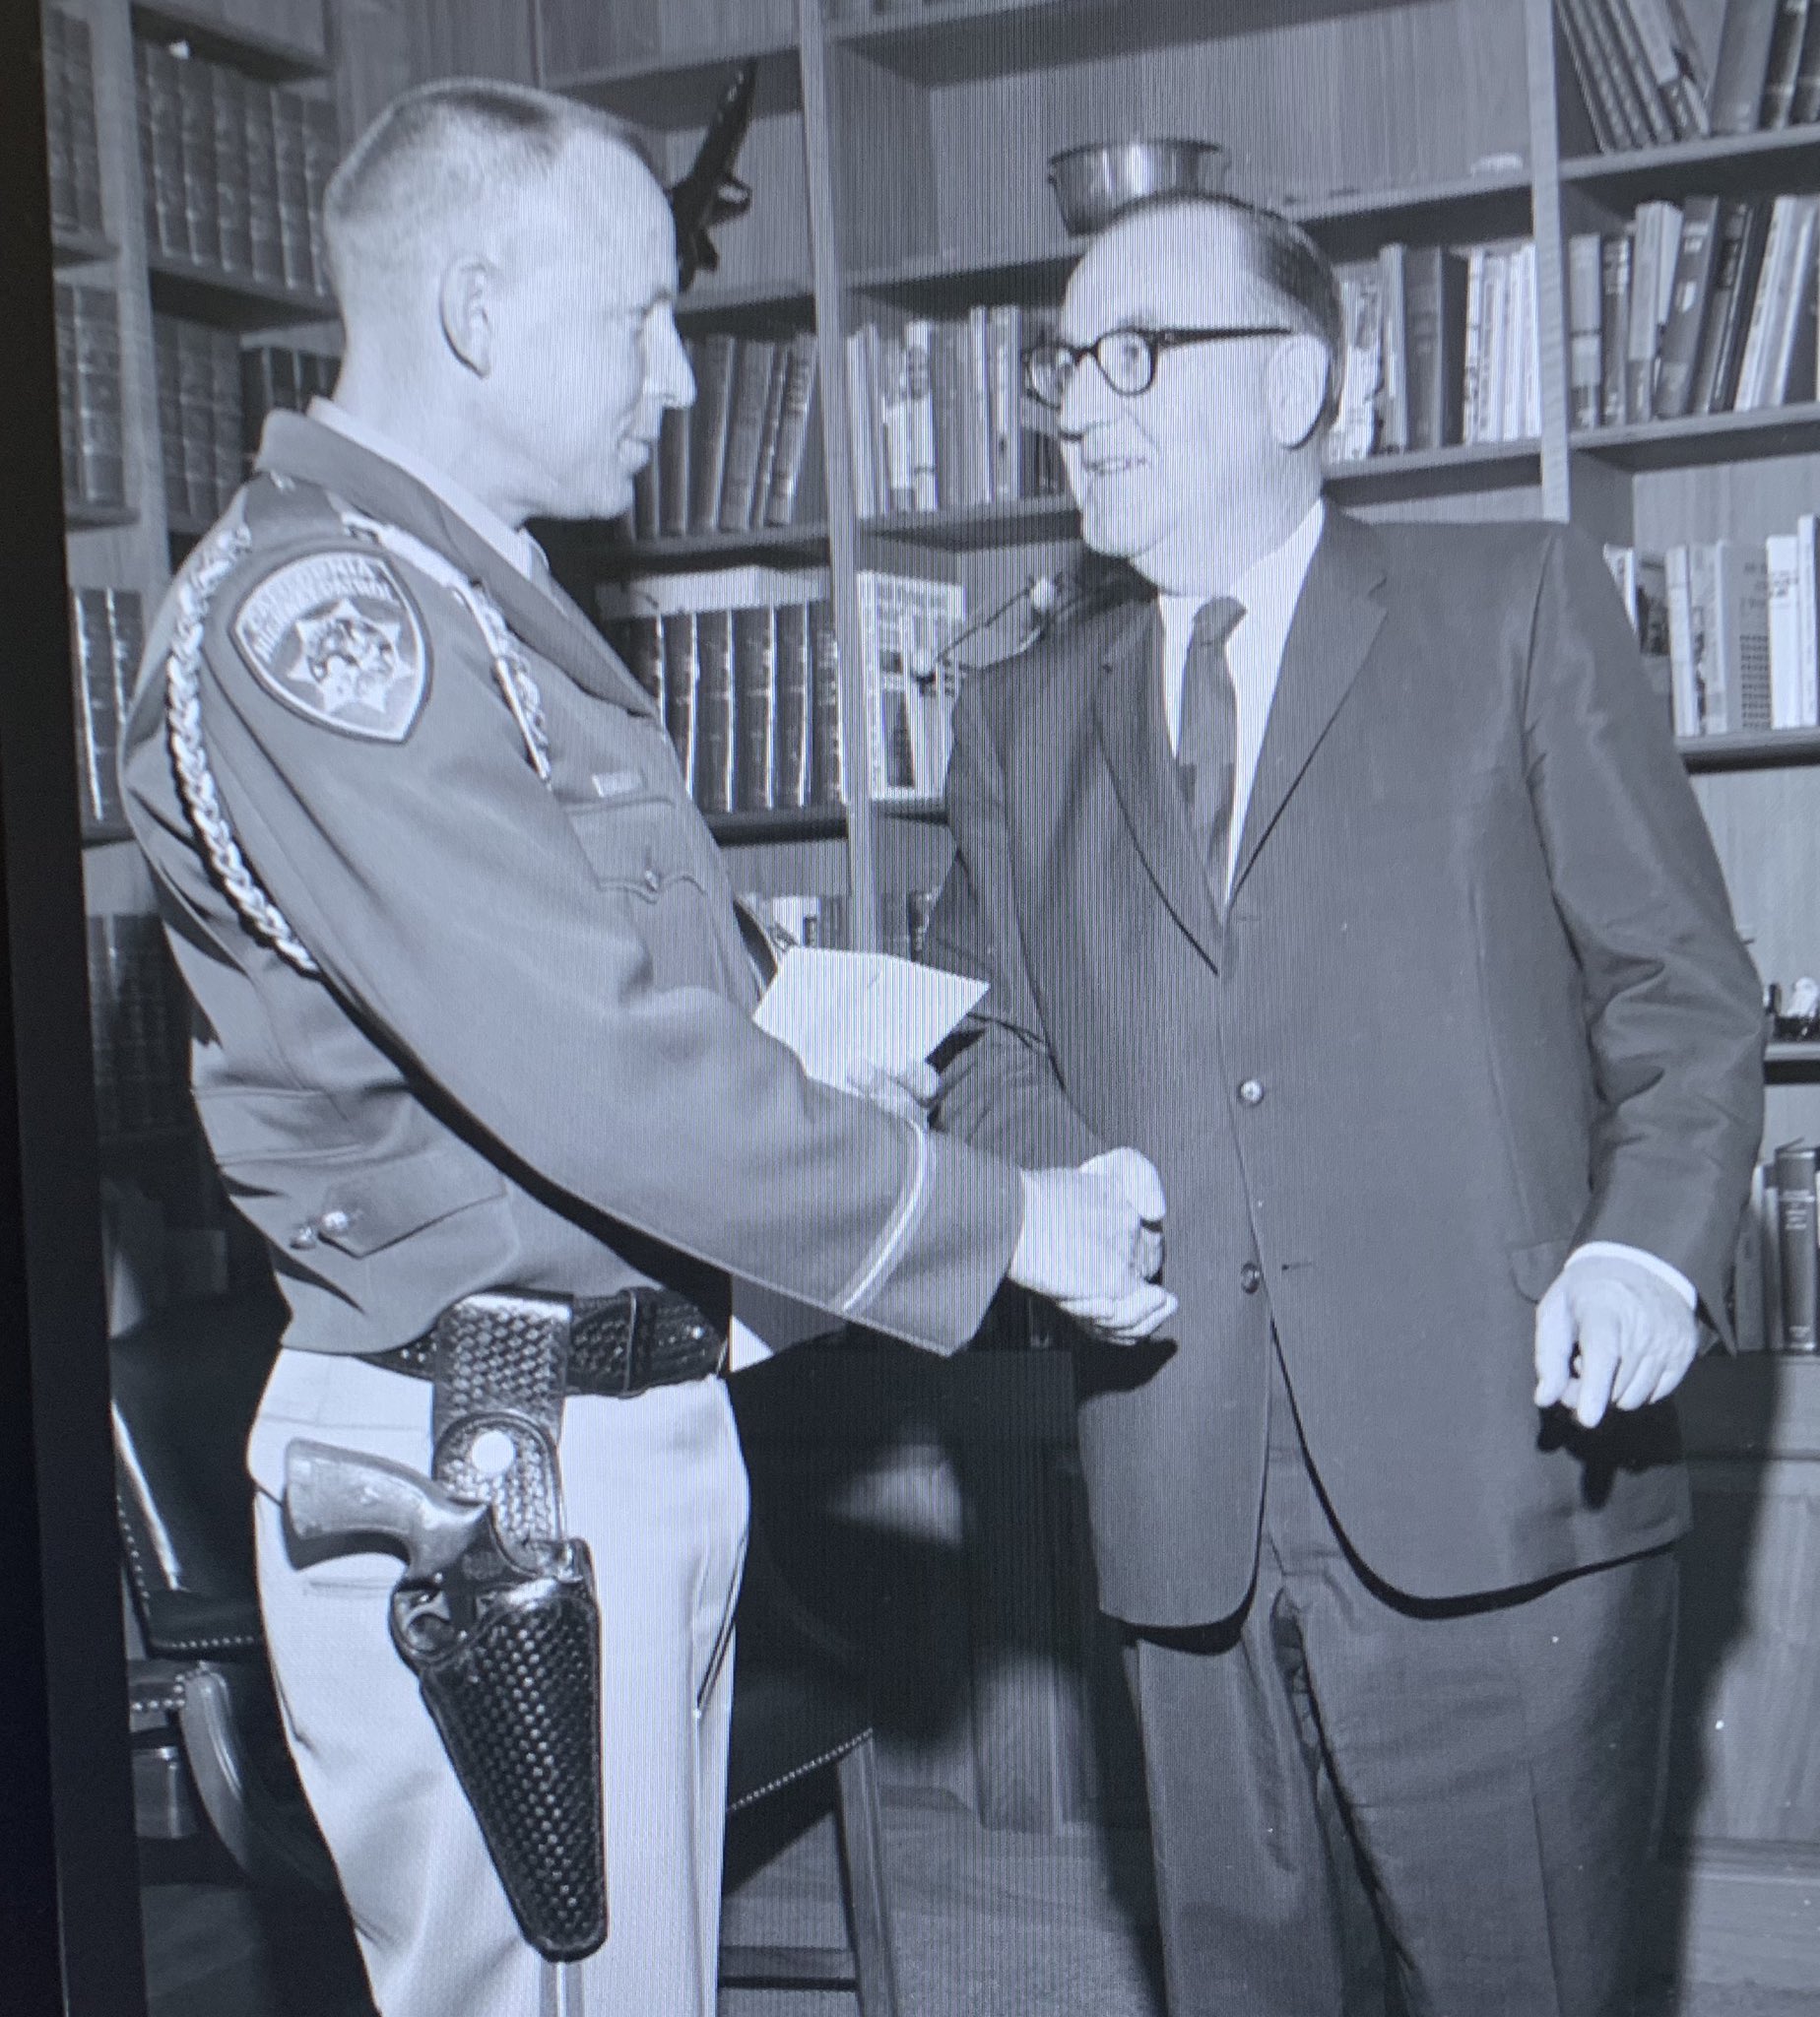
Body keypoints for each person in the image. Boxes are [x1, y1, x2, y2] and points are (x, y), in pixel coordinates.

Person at [118, 80, 1174, 2017]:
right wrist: (999, 1216)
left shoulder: (475, 604)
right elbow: (592, 1065)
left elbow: (638, 1012)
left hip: (601, 1429)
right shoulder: (326, 620)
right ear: (476, 307)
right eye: (638, 316)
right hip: (486, 1470)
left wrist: (811, 1078)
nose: (677, 377)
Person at [922, 192, 1765, 2017]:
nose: (1082, 404)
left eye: (1136, 354)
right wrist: (1078, 1194)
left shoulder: (1516, 604)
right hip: (1180, 1503)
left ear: (1299, 375)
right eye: (1066, 364)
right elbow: (970, 1041)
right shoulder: (1018, 716)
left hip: (1502, 1488)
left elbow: (1681, 992)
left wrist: (1644, 1248)